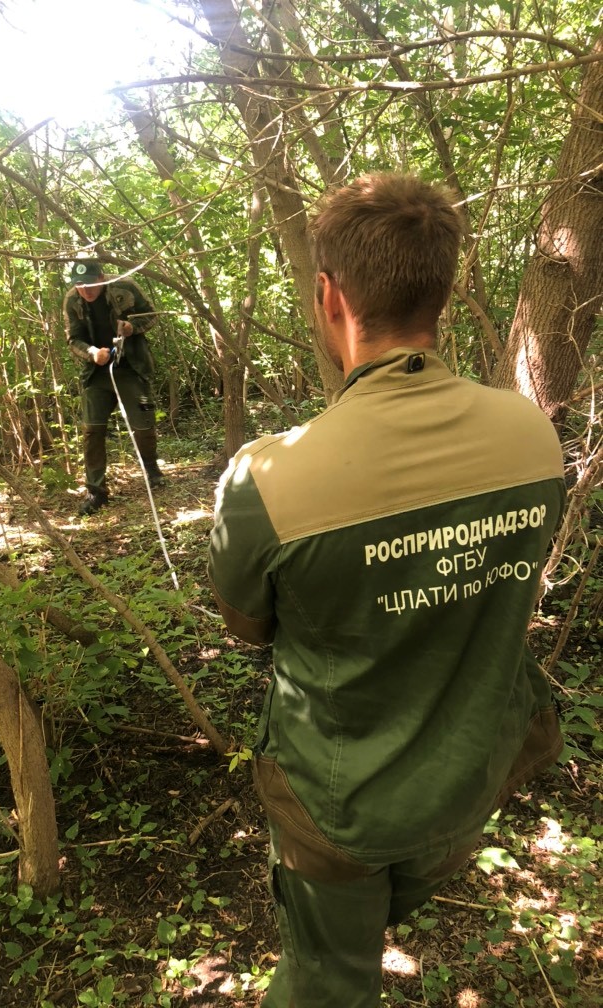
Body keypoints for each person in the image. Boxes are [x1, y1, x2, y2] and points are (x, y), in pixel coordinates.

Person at [207, 174, 565, 1007]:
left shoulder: (268, 478)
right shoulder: (531, 435)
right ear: (444, 290)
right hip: (471, 778)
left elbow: (248, 628)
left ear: (330, 297)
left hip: (341, 805)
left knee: (329, 977)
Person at [63, 258, 164, 515]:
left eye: (90, 284)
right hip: (96, 374)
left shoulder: (125, 287)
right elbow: (73, 339)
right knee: (92, 430)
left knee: (144, 423)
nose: (85, 290)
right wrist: (92, 353)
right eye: (79, 285)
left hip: (133, 368)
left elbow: (152, 315)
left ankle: (152, 469)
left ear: (102, 278)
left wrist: (132, 328)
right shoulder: (72, 299)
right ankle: (96, 491)